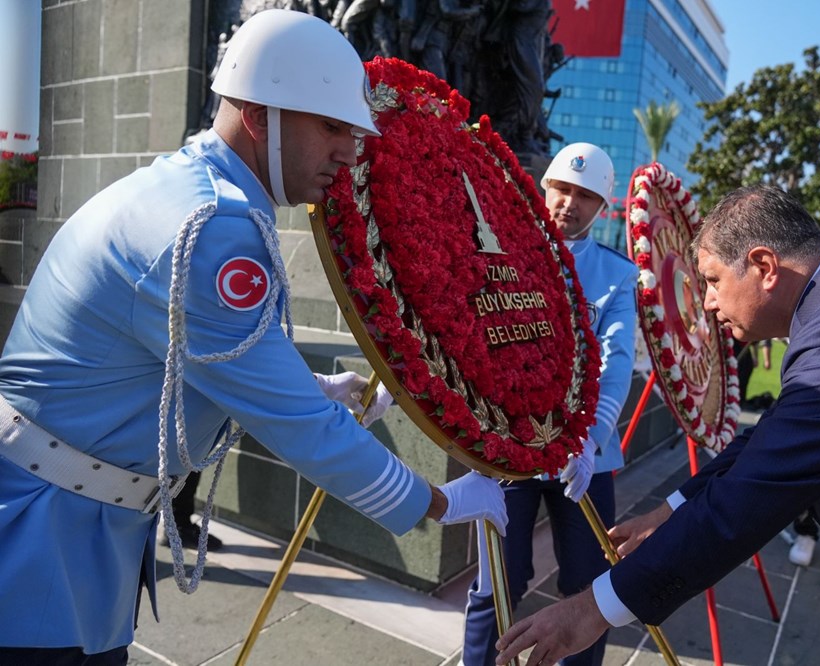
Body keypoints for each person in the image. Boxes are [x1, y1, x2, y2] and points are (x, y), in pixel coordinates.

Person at [0, 10, 507, 664]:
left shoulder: (199, 195)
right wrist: (439, 501)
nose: (350, 151)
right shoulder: (214, 228)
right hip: (38, 549)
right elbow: (299, 429)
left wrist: (321, 387)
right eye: (331, 126)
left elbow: (199, 358)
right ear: (260, 114)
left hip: (69, 534)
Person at [494, 184, 820, 666]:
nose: (709, 303)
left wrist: (591, 609)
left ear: (762, 265)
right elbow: (776, 434)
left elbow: (757, 492)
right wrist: (674, 508)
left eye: (713, 281)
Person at [461, 143, 637, 666]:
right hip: (509, 446)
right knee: (497, 582)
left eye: (585, 196)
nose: (569, 203)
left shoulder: (615, 275)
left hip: (585, 457)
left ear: (601, 208)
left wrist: (587, 438)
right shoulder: (496, 249)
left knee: (592, 590)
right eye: (562, 188)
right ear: (543, 188)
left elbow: (617, 361)